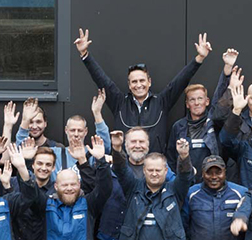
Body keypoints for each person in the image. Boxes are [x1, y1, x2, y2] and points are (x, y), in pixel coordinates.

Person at [76, 28, 212, 154]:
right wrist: (85, 55)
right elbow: (101, 79)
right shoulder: (120, 103)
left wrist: (199, 58)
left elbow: (181, 80)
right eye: (134, 82)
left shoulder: (161, 102)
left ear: (149, 82)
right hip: (126, 166)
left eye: (142, 80)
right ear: (129, 85)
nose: (138, 85)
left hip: (154, 167)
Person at [165, 48, 236, 175]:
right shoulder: (178, 127)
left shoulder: (214, 122)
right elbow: (170, 157)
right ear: (187, 104)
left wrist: (227, 68)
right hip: (186, 182)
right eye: (192, 100)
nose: (197, 103)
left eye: (200, 99)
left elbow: (219, 95)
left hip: (212, 180)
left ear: (207, 101)